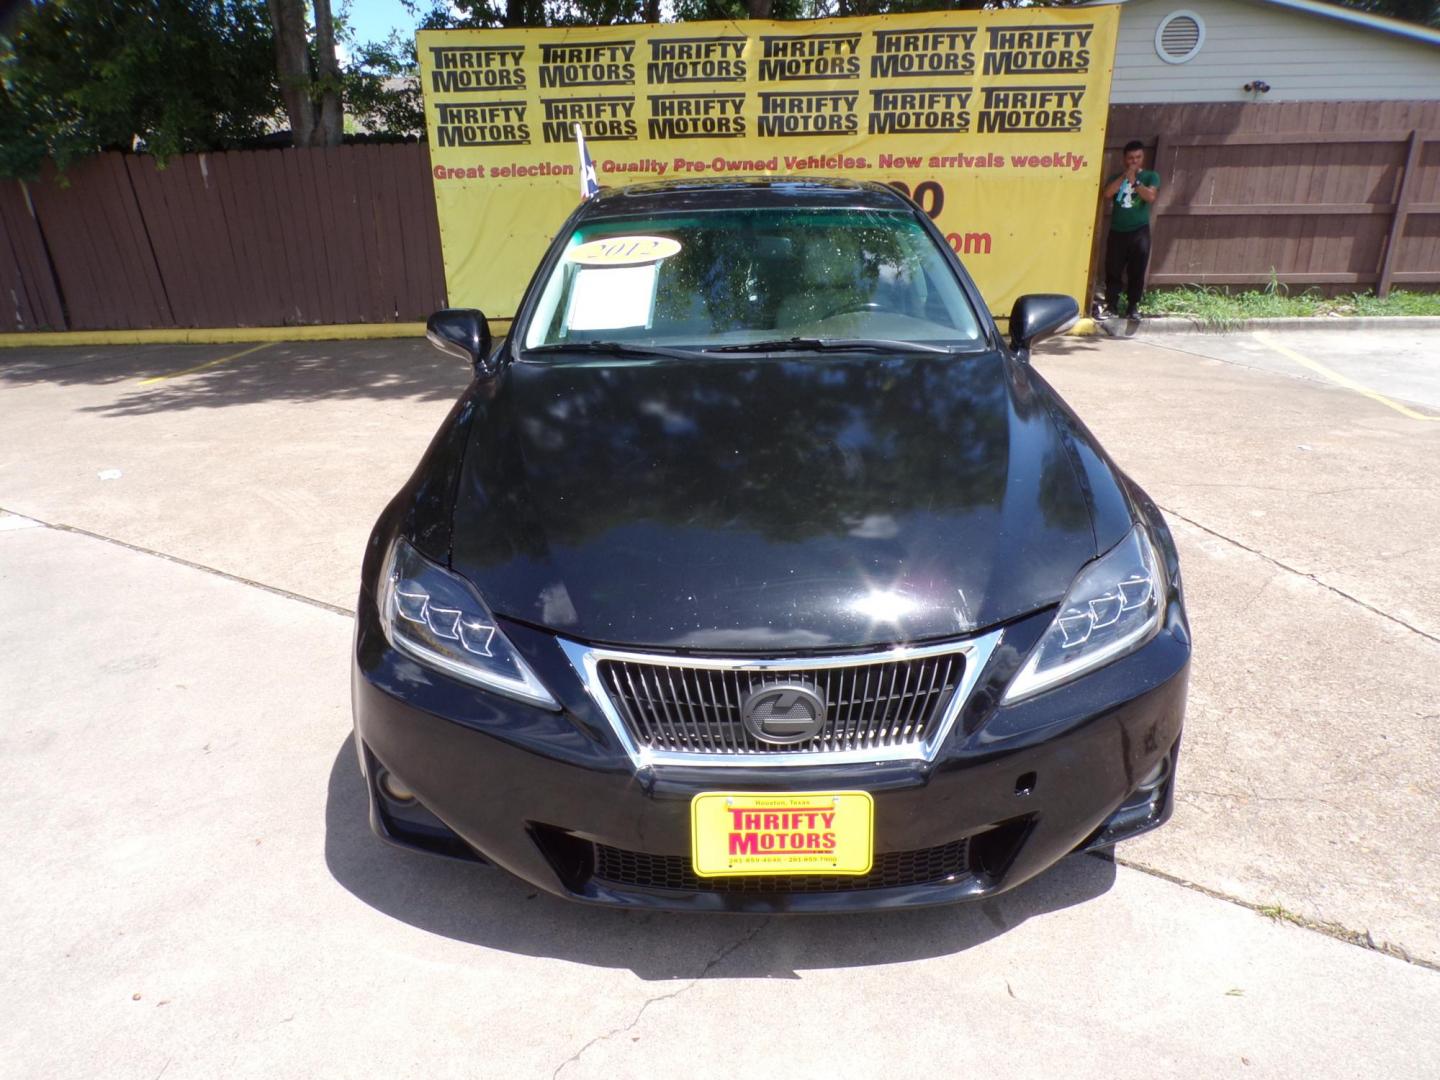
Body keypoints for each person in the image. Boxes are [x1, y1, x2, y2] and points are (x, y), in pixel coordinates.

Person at [1099, 140, 1161, 320]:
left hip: (1139, 231)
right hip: (1118, 231)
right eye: (1130, 158)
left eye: (1138, 157)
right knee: (1113, 269)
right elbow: (1107, 194)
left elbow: (1150, 196)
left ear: (1143, 158)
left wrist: (1134, 182)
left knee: (1137, 269)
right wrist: (1125, 177)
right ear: (1124, 159)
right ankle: (1111, 305)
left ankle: (1133, 306)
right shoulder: (1116, 177)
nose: (1134, 161)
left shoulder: (1151, 176)